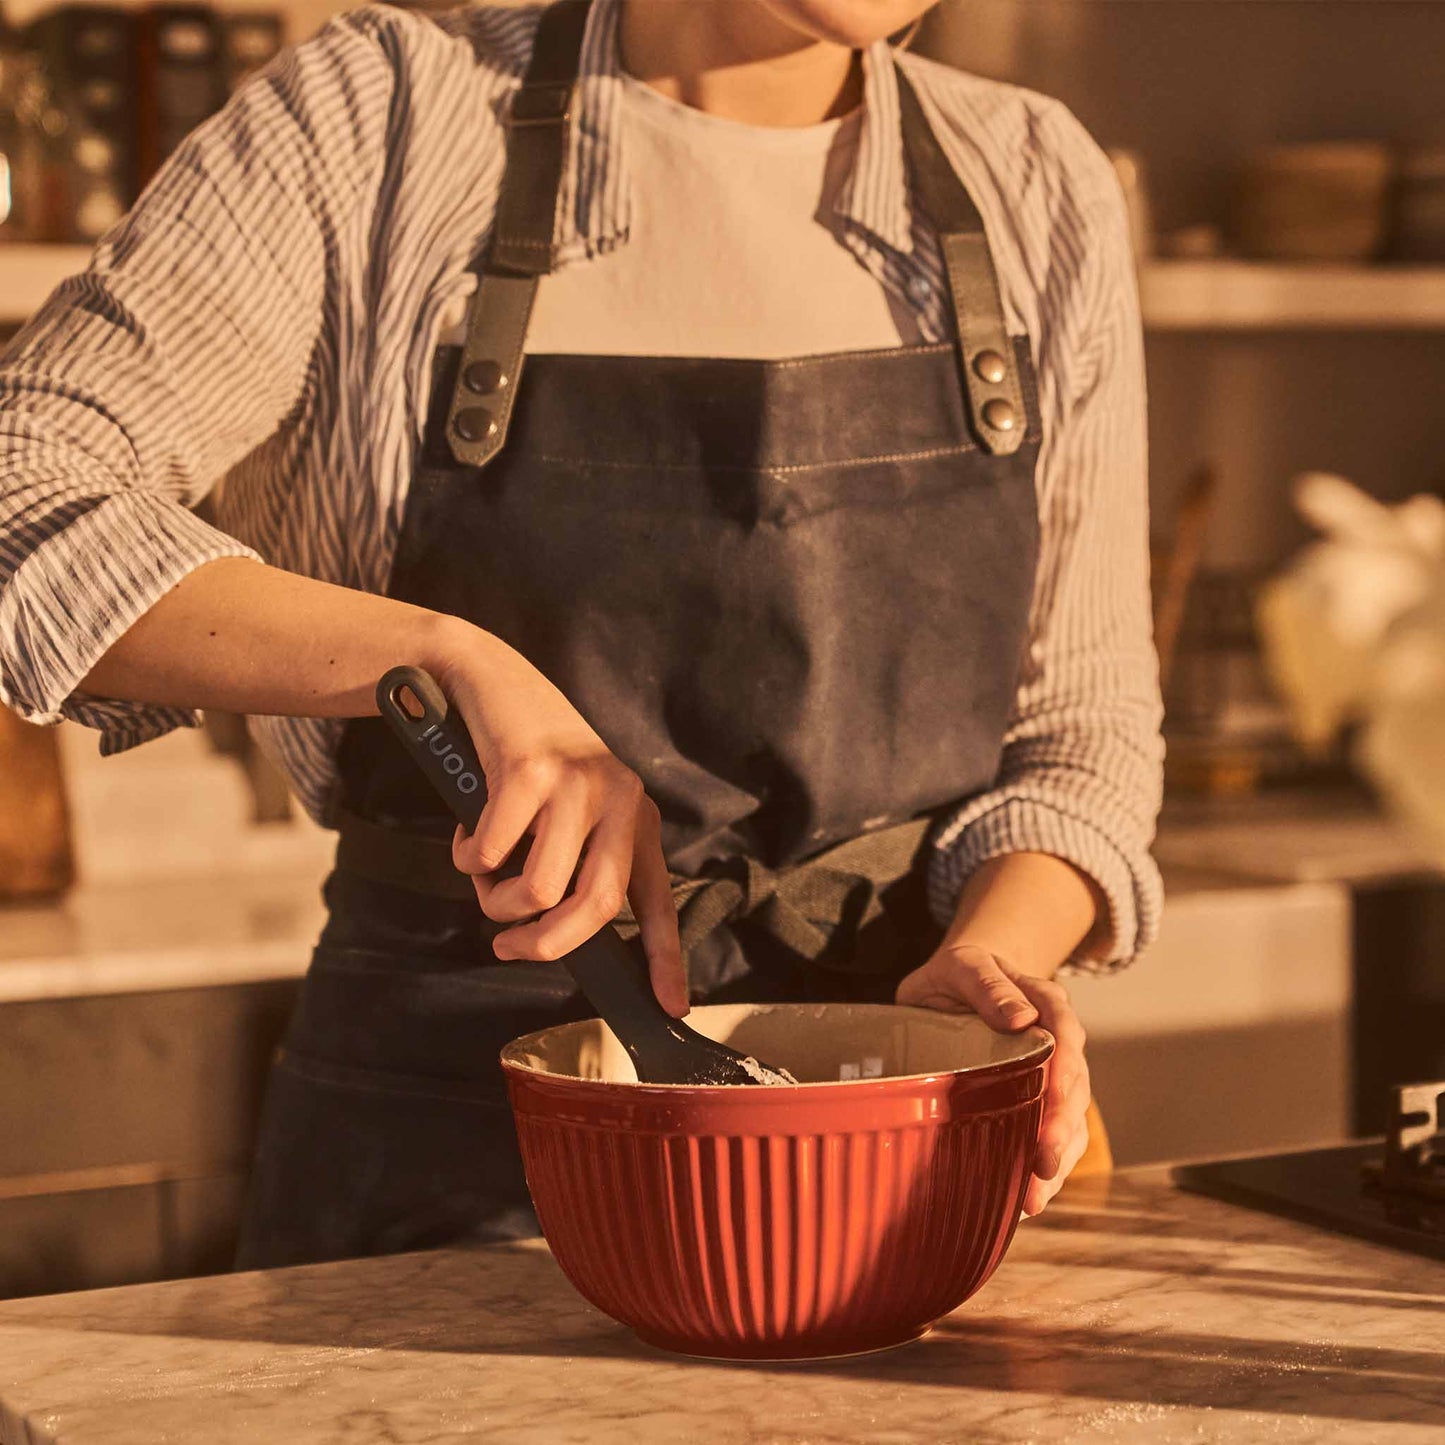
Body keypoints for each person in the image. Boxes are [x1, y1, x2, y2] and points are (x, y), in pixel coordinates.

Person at [0, 0, 1163, 1266]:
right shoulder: (386, 115)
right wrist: (437, 657)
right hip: (448, 1144)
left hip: (887, 1151)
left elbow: (1079, 740)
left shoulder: (1036, 178)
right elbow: (24, 478)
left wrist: (984, 965)